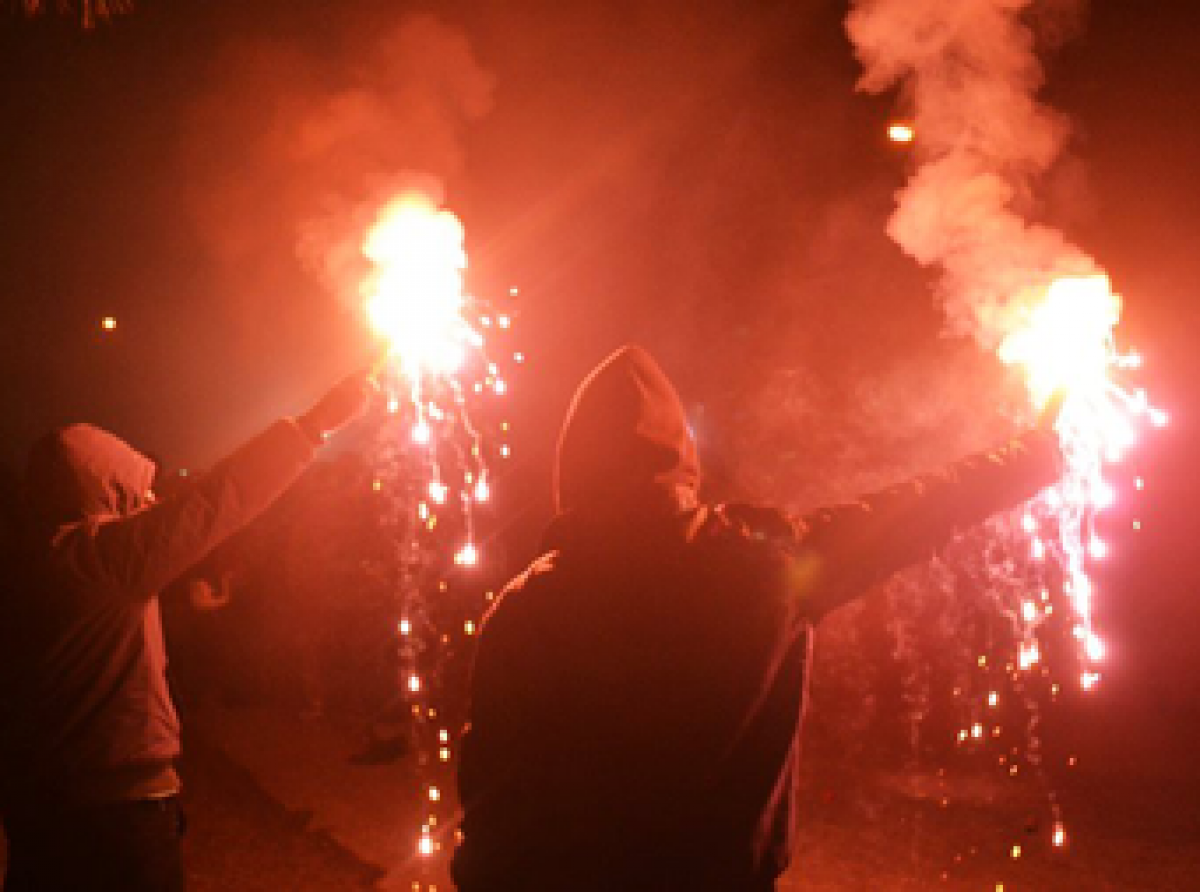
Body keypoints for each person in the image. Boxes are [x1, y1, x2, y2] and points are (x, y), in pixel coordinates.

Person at [451, 345, 1061, 891]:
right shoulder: (764, 569)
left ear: (574, 470)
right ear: (679, 461)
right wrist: (1030, 455)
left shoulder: (528, 605)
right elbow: (915, 509)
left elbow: (487, 790)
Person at [0, 369, 375, 891]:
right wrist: (314, 426)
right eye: (135, 492)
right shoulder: (100, 558)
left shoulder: (33, 564)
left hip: (41, 805)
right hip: (114, 814)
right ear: (103, 489)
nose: (149, 504)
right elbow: (215, 501)